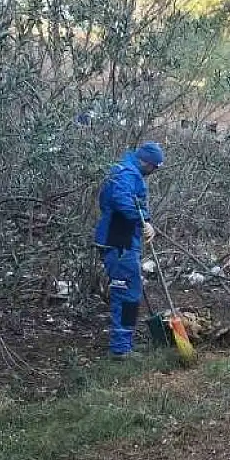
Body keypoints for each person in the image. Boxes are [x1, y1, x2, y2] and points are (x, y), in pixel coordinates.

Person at [94, 142, 165, 358]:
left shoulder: (131, 172)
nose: (153, 173)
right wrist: (144, 222)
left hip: (126, 242)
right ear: (146, 162)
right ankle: (120, 348)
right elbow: (122, 201)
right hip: (119, 243)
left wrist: (148, 221)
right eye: (154, 168)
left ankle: (126, 342)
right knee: (124, 293)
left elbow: (135, 203)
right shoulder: (125, 173)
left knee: (131, 292)